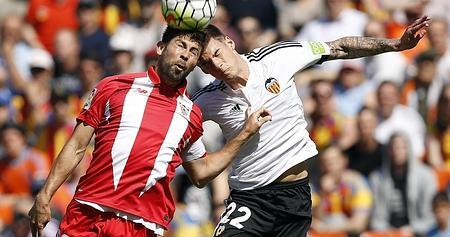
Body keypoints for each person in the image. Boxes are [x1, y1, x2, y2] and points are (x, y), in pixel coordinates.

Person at [192, 15, 431, 237]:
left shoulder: (277, 57)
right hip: (250, 198)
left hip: (295, 196)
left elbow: (339, 47)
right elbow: (173, 122)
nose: (217, 64)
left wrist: (395, 44)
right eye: (207, 63)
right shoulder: (208, 99)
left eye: (217, 53)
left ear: (229, 42)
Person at [28, 27, 272, 237]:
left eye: (194, 52)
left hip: (142, 224)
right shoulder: (113, 87)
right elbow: (76, 146)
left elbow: (200, 173)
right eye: (181, 45)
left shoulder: (192, 114)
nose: (186, 55)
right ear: (160, 47)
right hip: (89, 211)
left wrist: (245, 133)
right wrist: (45, 195)